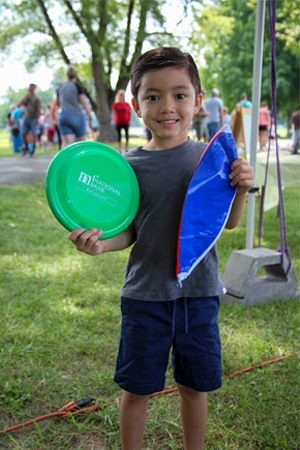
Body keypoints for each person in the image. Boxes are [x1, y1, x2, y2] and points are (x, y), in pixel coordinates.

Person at [69, 47, 254, 450]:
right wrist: (99, 246)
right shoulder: (127, 169)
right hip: (145, 298)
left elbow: (230, 221)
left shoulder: (211, 160)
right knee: (137, 389)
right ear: (136, 106)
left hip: (200, 296)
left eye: (179, 94)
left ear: (197, 101)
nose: (167, 106)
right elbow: (129, 232)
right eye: (153, 96)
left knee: (194, 387)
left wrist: (240, 187)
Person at [57, 66, 92, 148]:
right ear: (75, 75)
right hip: (76, 115)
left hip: (63, 116)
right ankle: (79, 160)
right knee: (80, 144)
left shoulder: (61, 88)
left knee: (66, 144)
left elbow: (58, 103)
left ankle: (65, 160)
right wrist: (89, 115)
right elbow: (84, 102)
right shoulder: (77, 86)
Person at [18, 83, 41, 156]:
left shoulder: (36, 98)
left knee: (34, 134)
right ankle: (26, 148)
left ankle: (33, 149)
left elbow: (38, 109)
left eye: (32, 88)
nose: (31, 89)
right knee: (23, 133)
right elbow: (19, 104)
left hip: (33, 117)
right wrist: (27, 96)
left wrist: (37, 118)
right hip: (26, 117)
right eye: (30, 88)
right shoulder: (27, 97)